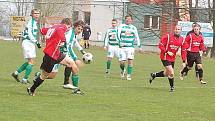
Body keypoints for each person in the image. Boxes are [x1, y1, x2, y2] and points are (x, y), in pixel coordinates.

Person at [27, 18, 81, 96]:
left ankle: (66, 83)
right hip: (50, 55)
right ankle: (31, 89)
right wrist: (62, 40)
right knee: (44, 76)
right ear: (66, 24)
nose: (67, 30)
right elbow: (61, 31)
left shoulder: (53, 27)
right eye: (68, 27)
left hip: (57, 54)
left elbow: (42, 30)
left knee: (71, 63)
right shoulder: (62, 27)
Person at [149, 25, 186, 92]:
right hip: (165, 57)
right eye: (176, 29)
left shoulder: (182, 40)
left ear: (181, 31)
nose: (177, 30)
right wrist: (167, 51)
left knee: (166, 73)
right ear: (174, 29)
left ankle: (154, 75)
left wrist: (183, 61)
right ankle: (172, 88)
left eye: (178, 29)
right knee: (171, 73)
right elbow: (160, 45)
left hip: (172, 58)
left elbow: (183, 51)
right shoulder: (168, 37)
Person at [11, 9, 41, 84]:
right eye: (35, 13)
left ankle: (16, 73)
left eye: (38, 13)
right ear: (32, 14)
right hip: (28, 42)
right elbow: (30, 34)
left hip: (30, 43)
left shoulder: (34, 22)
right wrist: (36, 42)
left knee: (30, 61)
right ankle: (25, 79)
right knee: (31, 62)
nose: (37, 15)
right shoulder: (31, 22)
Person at [117, 14, 141, 80]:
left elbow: (137, 37)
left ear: (131, 20)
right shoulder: (121, 26)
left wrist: (139, 46)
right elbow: (117, 35)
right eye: (127, 19)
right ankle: (123, 70)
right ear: (125, 20)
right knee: (122, 62)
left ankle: (129, 75)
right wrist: (119, 42)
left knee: (130, 61)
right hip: (122, 47)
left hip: (130, 47)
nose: (128, 20)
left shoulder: (133, 28)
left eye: (129, 19)